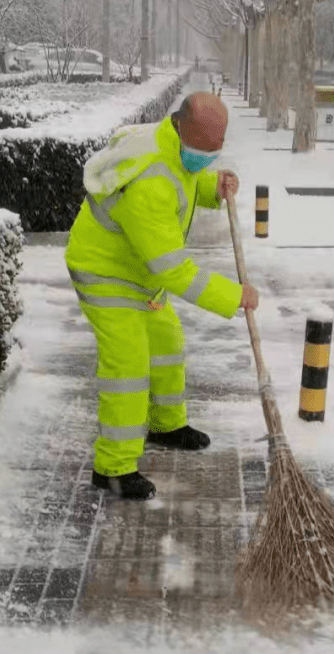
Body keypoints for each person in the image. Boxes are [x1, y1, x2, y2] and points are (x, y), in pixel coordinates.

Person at [65, 92, 259, 499]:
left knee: (168, 343)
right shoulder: (150, 183)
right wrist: (233, 295)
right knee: (129, 365)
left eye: (216, 153)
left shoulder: (169, 143)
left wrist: (213, 186)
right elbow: (173, 270)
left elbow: (185, 177)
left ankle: (167, 426)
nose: (209, 158)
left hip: (137, 272)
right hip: (106, 272)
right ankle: (113, 467)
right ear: (184, 131)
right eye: (205, 153)